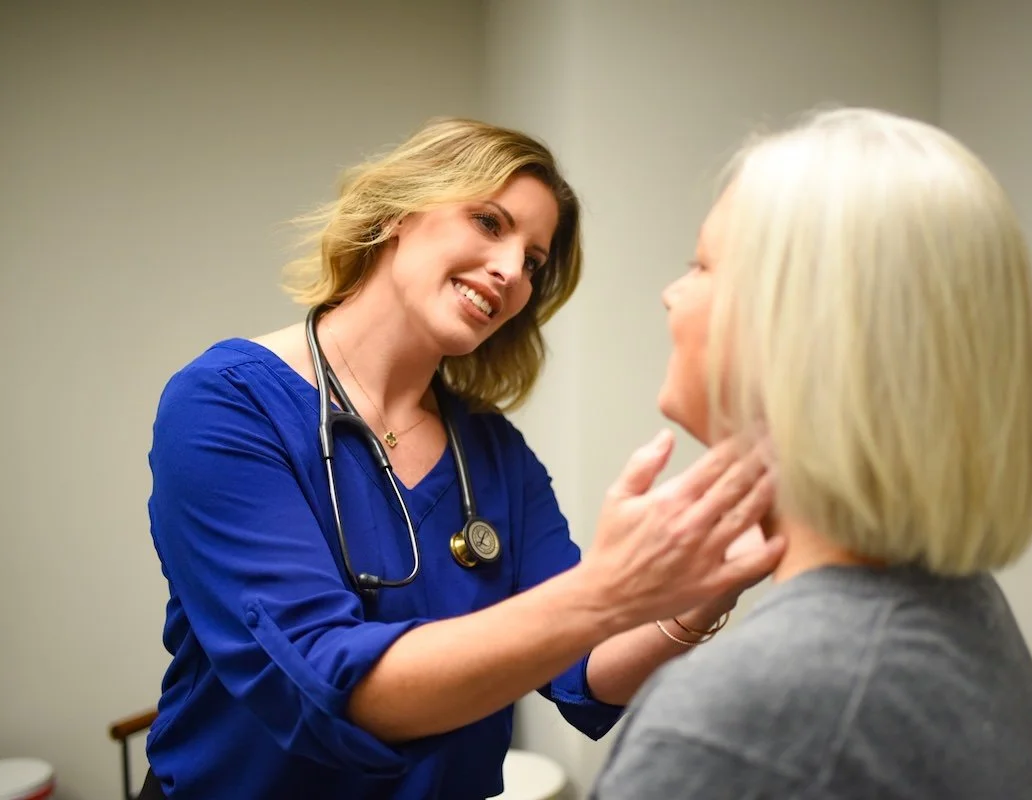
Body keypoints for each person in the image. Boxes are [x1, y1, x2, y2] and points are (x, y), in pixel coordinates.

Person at [142, 117, 785, 799]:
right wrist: (607, 588)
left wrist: (707, 586)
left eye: (534, 262)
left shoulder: (492, 455)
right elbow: (326, 680)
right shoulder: (226, 403)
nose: (511, 272)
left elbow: (582, 667)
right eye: (488, 222)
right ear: (397, 213)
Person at [590, 107, 1032, 799]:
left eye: (700, 265)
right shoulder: (963, 614)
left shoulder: (747, 716)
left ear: (798, 334)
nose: (671, 294)